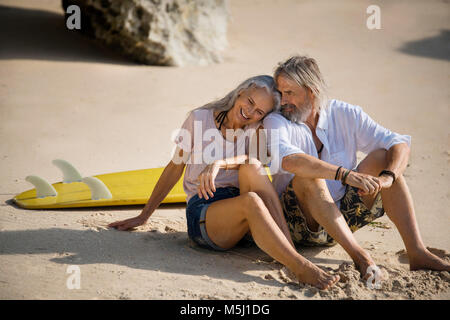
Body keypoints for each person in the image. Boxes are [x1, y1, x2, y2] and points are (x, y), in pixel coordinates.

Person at [108, 75, 340, 290]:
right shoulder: (199, 119)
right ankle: (299, 266)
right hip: (205, 213)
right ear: (240, 92)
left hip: (243, 218)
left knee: (253, 168)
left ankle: (289, 252)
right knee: (250, 200)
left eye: (259, 111)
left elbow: (255, 163)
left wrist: (220, 163)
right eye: (249, 101)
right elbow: (174, 168)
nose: (250, 112)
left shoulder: (255, 129)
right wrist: (144, 215)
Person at [263, 55, 450, 284]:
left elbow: (398, 143)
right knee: (308, 177)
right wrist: (346, 174)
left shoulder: (344, 114)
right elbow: (290, 161)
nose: (283, 101)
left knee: (383, 157)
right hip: (299, 223)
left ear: (311, 91)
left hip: (342, 216)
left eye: (289, 92)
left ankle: (417, 252)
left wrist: (387, 179)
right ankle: (360, 256)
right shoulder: (276, 121)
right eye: (280, 93)